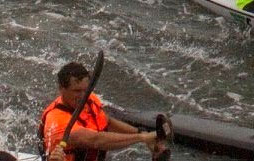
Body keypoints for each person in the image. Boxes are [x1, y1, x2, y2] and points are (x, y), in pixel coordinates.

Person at [39, 59, 170, 161]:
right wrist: (141, 138)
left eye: (86, 90)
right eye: (77, 91)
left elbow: (107, 122)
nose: (83, 96)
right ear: (62, 89)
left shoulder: (89, 99)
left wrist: (141, 132)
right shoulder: (56, 120)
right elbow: (96, 140)